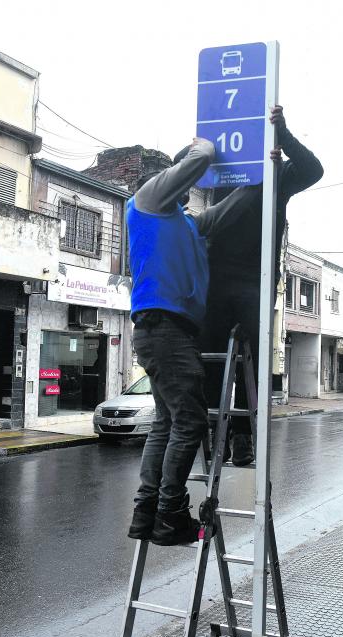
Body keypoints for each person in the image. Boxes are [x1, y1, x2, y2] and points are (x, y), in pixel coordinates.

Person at [199, 104, 323, 466]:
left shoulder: (278, 172)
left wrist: (283, 134)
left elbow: (314, 170)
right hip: (216, 277)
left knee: (247, 364)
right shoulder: (222, 170)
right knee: (211, 358)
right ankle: (209, 431)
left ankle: (241, 438)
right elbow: (182, 165)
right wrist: (202, 147)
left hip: (257, 278)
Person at [125, 137, 220, 546]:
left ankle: (148, 512)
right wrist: (200, 141)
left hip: (166, 330)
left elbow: (218, 216)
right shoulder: (147, 200)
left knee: (167, 421)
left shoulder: (181, 221)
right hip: (164, 328)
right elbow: (200, 157)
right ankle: (170, 513)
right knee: (191, 421)